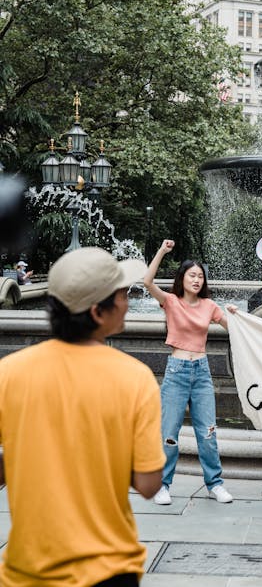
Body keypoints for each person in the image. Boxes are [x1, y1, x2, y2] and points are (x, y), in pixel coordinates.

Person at [0, 247, 165, 587]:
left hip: (26, 572)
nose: (127, 301)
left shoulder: (9, 373)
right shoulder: (134, 378)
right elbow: (149, 485)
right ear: (97, 312)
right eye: (121, 294)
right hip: (107, 569)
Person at [144, 239, 235, 506]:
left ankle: (215, 484)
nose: (196, 280)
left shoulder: (209, 306)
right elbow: (147, 282)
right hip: (177, 371)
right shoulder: (171, 301)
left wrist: (236, 314)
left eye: (200, 276)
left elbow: (233, 328)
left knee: (207, 432)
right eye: (191, 275)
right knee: (169, 432)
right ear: (182, 278)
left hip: (202, 373)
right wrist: (161, 250)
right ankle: (162, 485)